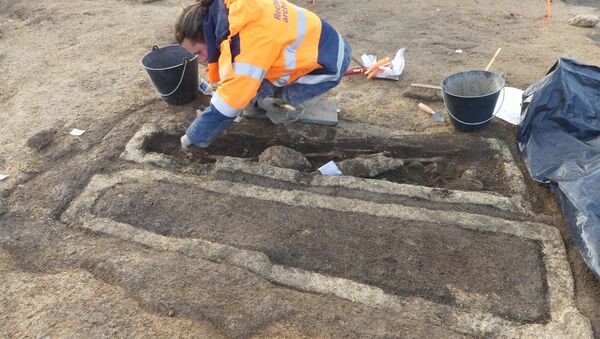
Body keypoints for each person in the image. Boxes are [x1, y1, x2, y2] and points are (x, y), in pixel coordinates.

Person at [176, 0, 352, 149]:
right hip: (318, 43)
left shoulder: (247, 41)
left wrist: (194, 135)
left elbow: (231, 100)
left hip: (327, 64)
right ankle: (267, 97)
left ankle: (292, 111)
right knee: (254, 98)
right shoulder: (233, 10)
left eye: (199, 52)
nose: (203, 59)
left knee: (275, 107)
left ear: (206, 35)